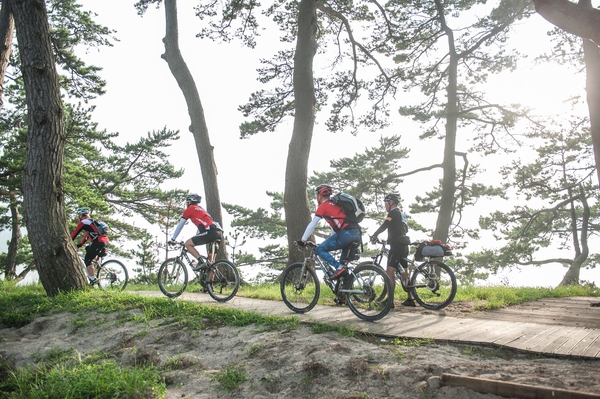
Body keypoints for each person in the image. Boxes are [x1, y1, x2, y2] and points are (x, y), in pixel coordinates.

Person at [299, 184, 362, 280]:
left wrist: (302, 240)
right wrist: (331, 241)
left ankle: (339, 267)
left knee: (319, 250)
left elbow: (313, 224)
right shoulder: (336, 204)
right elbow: (336, 227)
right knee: (343, 267)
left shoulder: (323, 206)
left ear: (319, 195)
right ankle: (345, 292)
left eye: (316, 195)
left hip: (346, 235)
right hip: (356, 233)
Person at [370, 193, 415, 307]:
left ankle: (390, 301)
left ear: (391, 202)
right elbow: (403, 229)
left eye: (386, 202)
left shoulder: (393, 212)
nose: (385, 205)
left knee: (390, 271)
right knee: (404, 272)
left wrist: (375, 235)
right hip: (404, 244)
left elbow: (385, 225)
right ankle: (410, 298)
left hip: (396, 245)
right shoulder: (401, 214)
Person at [169, 194, 222, 269]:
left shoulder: (189, 209)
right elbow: (202, 226)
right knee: (211, 262)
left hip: (210, 232)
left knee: (188, 244)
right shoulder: (201, 209)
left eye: (187, 202)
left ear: (190, 202)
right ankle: (211, 280)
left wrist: (173, 239)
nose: (186, 204)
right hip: (218, 233)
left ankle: (200, 261)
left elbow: (180, 225)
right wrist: (195, 238)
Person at [71, 207, 109, 285]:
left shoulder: (84, 222)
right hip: (105, 241)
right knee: (88, 248)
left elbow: (75, 233)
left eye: (78, 216)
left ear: (81, 215)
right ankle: (96, 263)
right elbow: (87, 235)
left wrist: (68, 241)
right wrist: (79, 245)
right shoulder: (93, 222)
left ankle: (93, 279)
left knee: (87, 260)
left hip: (98, 242)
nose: (78, 218)